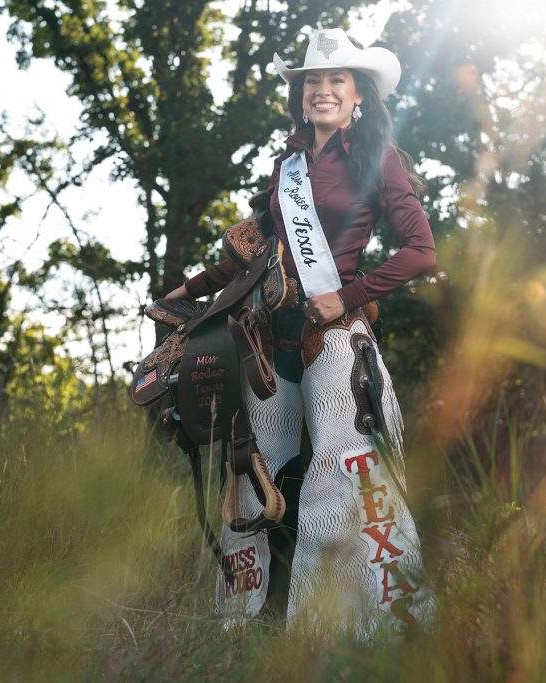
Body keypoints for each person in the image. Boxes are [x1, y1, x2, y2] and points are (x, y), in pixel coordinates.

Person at [164, 27, 437, 637]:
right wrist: (194, 288)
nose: (322, 90)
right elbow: (259, 245)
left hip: (335, 338)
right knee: (255, 477)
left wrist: (350, 296)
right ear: (301, 95)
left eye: (335, 80)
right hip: (269, 339)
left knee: (340, 477)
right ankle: (237, 626)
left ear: (358, 94)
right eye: (312, 81)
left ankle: (352, 630)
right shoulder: (285, 165)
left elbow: (421, 252)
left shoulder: (378, 159)